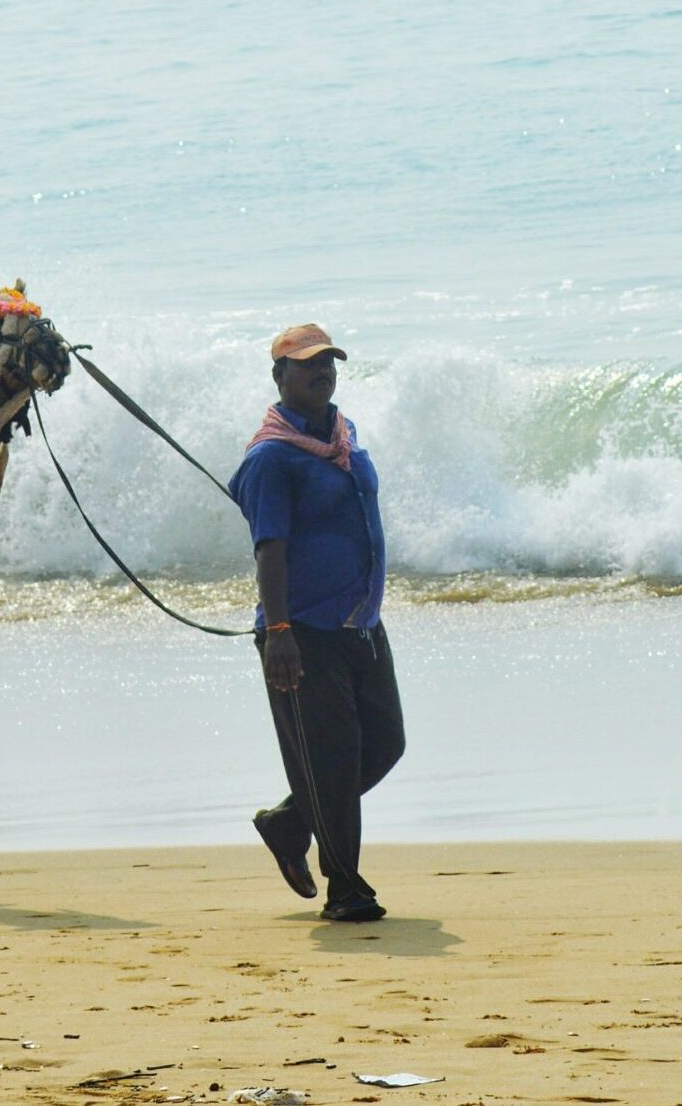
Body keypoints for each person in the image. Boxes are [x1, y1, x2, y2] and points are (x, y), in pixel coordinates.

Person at [227, 323, 404, 923]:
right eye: (308, 365)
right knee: (330, 760)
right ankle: (346, 888)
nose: (322, 372)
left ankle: (290, 821)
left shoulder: (343, 437)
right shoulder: (272, 458)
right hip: (301, 633)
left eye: (329, 362)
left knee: (384, 743)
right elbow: (269, 549)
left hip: (360, 627)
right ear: (280, 376)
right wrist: (279, 634)